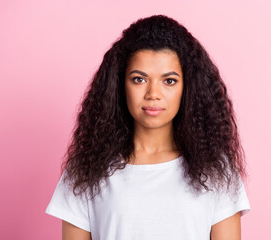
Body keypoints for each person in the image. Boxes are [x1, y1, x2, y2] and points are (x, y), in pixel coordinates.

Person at [45, 14, 251, 240]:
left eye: (169, 81)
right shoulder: (87, 169)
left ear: (188, 87)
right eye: (139, 79)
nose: (153, 93)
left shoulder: (215, 169)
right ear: (119, 84)